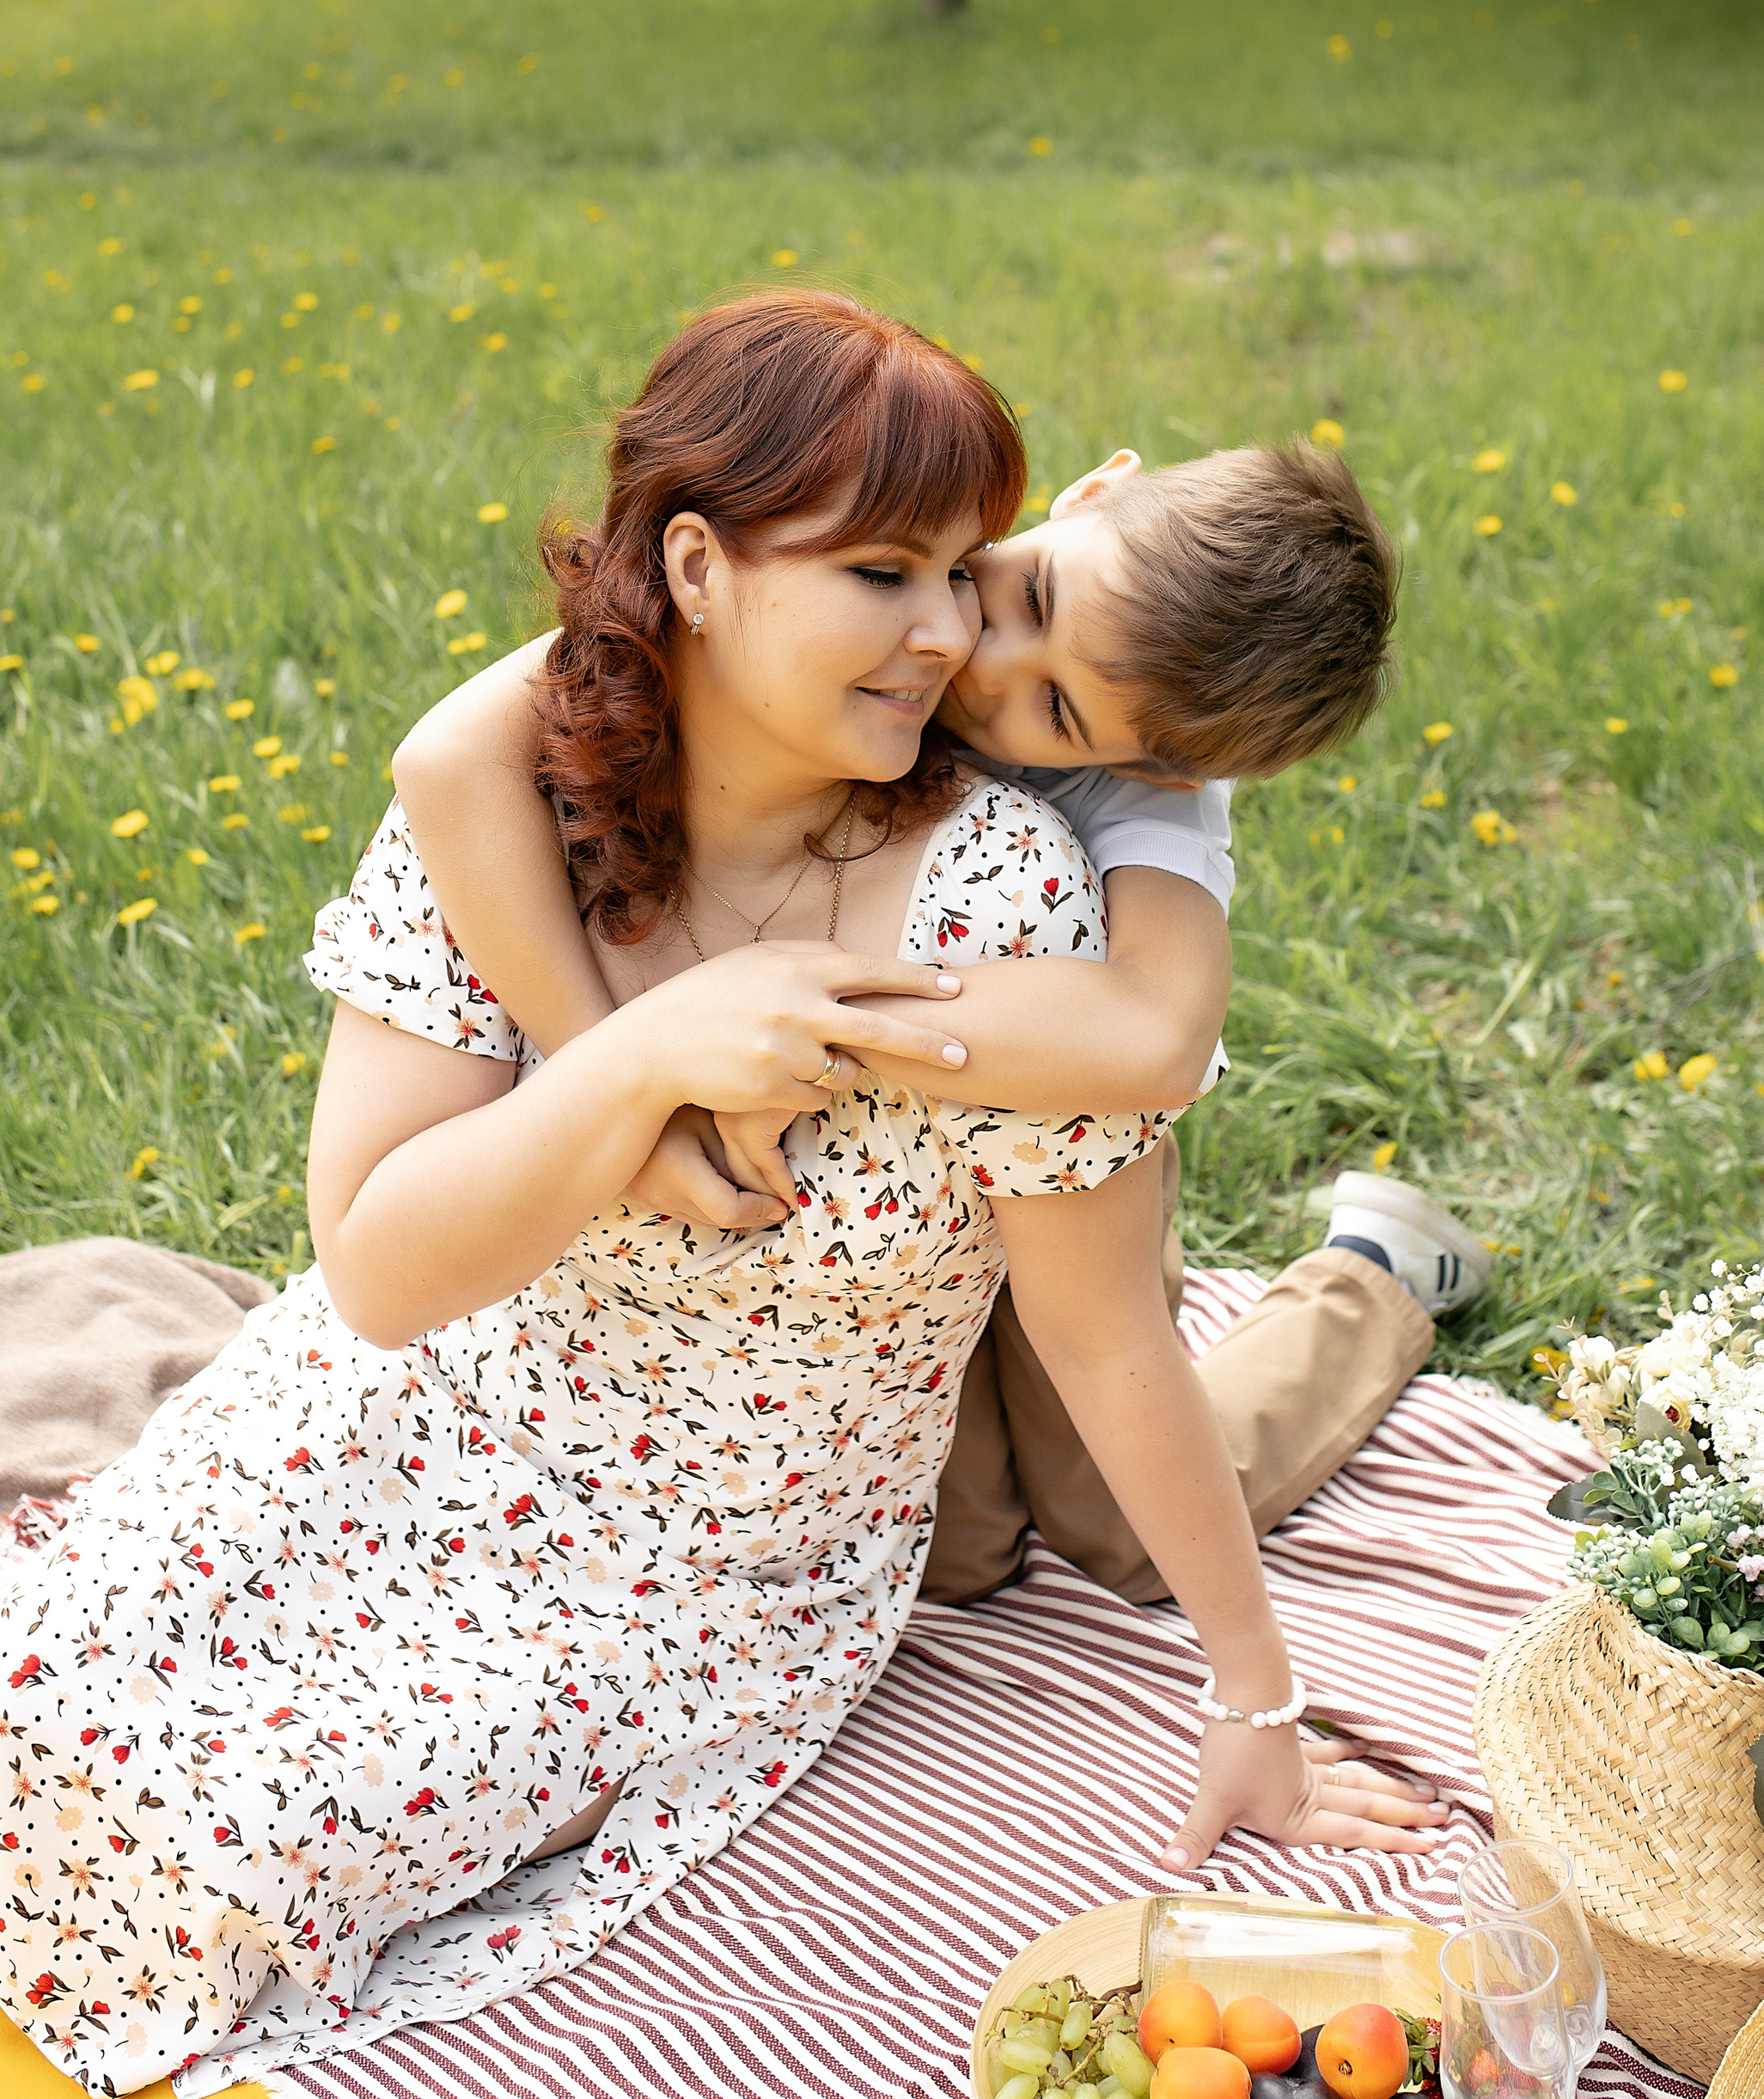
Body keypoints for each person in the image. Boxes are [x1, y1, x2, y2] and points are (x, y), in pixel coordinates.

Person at [0, 290, 1442, 2099]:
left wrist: (1253, 1697)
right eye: (900, 575)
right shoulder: (522, 775)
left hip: (702, 1562)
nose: (955, 637)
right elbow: (386, 1276)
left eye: (966, 580)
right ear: (701, 569)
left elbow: (1123, 1237)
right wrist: (640, 1062)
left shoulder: (1033, 886)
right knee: (27, 1677)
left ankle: (1370, 1275)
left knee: (240, 1852)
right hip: (411, 1411)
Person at [394, 413, 1492, 1615]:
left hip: (1056, 1153)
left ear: (1161, 771)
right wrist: (628, 1069)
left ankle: (1366, 1275)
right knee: (947, 1560)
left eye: (1058, 715)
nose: (978, 663)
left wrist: (800, 1007)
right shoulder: (894, 584)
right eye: (1025, 596)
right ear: (1090, 493)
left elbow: (1155, 1041)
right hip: (876, 1214)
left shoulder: (1155, 797)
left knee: (1117, 1526)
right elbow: (454, 755)